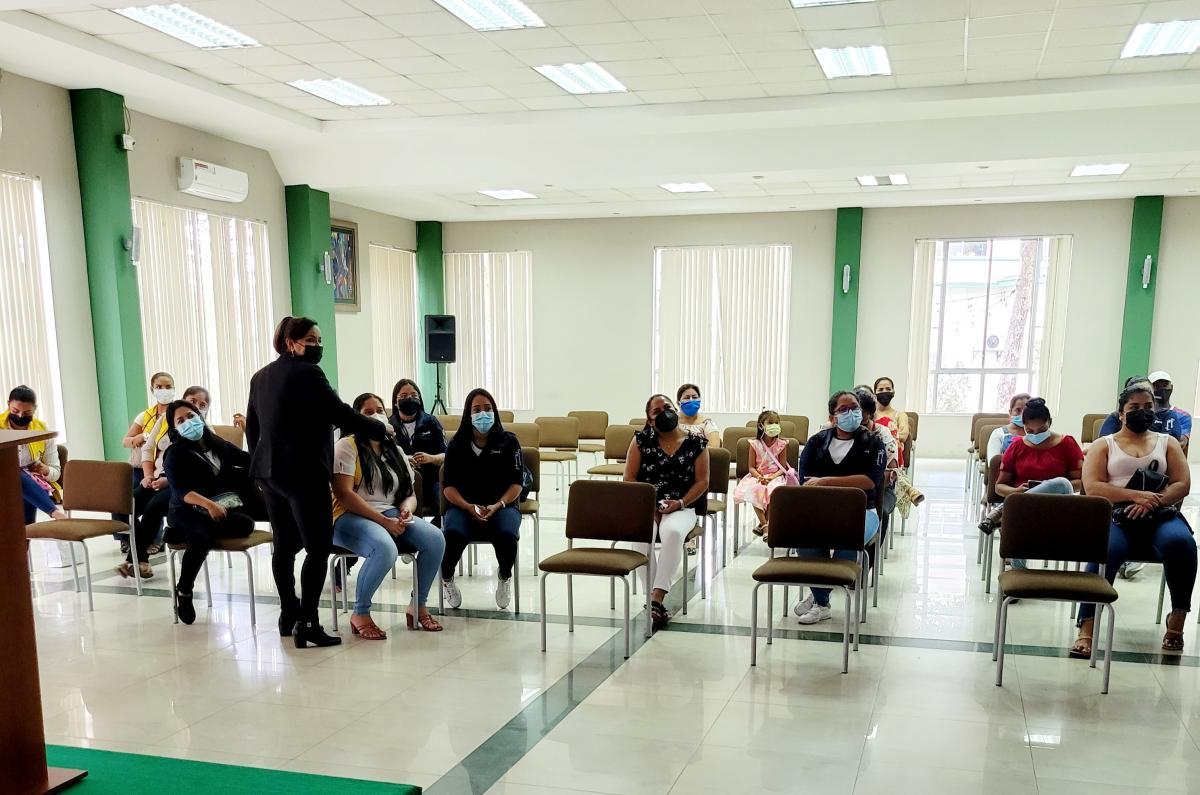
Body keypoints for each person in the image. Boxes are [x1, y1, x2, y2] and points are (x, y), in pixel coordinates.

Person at [246, 316, 390, 648]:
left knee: (284, 546)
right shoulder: (308, 373)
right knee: (318, 547)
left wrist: (260, 465)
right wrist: (380, 428)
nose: (317, 346)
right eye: (310, 340)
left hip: (270, 473)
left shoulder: (260, 376)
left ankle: (288, 614)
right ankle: (308, 623)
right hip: (304, 473)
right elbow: (340, 413)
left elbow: (253, 428)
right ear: (290, 343)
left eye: (318, 340)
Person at [1071, 384, 1195, 656]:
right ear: (1121, 413)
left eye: (1148, 407)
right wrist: (1134, 496)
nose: (1143, 412)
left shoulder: (1167, 442)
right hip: (1116, 515)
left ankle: (1177, 618)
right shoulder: (1104, 444)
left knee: (1182, 544)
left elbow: (1182, 483)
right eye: (1134, 408)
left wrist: (1152, 500)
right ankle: (1087, 624)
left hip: (1159, 514)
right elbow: (1093, 486)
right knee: (1106, 550)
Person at [332, 393, 446, 637]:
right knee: (385, 549)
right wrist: (384, 521)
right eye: (368, 412)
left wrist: (406, 510)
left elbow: (409, 493)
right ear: (357, 418)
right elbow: (343, 494)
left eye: (379, 410)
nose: (376, 416)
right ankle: (360, 613)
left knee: (435, 539)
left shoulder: (395, 449)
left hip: (390, 513)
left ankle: (418, 606)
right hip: (348, 516)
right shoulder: (346, 446)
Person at [792, 390, 886, 625]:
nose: (850, 413)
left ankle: (819, 597)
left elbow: (869, 480)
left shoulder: (873, 442)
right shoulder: (817, 442)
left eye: (854, 408)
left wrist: (825, 481)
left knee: (848, 540)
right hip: (821, 510)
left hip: (862, 512)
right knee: (805, 539)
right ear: (832, 416)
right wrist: (820, 484)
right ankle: (821, 602)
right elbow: (806, 481)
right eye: (843, 409)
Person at [161, 400, 259, 626]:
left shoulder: (217, 443)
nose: (188, 422)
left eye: (191, 416)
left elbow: (247, 459)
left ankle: (177, 534)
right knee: (200, 539)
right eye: (181, 421)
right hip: (186, 509)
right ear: (174, 428)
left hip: (214, 508)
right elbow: (181, 491)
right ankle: (184, 590)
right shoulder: (174, 453)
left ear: (200, 416)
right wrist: (208, 505)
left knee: (245, 525)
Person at [624, 394, 710, 631]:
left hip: (683, 505)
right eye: (657, 411)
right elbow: (629, 477)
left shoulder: (697, 443)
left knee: (672, 531)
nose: (664, 413)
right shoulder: (641, 440)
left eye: (668, 407)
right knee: (641, 536)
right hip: (647, 505)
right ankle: (651, 598)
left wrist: (680, 503)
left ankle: (657, 597)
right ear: (649, 419)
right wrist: (650, 505)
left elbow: (702, 481)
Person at [439, 387, 524, 611]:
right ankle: (447, 578)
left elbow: (517, 483)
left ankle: (504, 575)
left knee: (507, 534)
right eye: (476, 409)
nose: (483, 414)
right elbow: (448, 487)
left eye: (487, 408)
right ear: (468, 414)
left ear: (494, 411)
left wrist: (498, 504)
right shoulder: (456, 444)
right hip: (463, 506)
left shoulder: (509, 442)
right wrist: (468, 506)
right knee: (452, 533)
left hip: (502, 505)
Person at [118, 386, 212, 580]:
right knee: (122, 505)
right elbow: (148, 448)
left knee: (154, 506)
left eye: (202, 405)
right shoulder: (165, 420)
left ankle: (137, 560)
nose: (196, 406)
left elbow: (201, 468)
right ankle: (139, 554)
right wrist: (148, 475)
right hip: (157, 477)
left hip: (183, 486)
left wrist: (167, 481)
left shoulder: (204, 430)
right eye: (192, 401)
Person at [978, 398, 1083, 569]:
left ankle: (1001, 511)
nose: (1035, 434)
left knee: (1062, 483)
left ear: (1049, 422)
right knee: (1020, 515)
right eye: (1030, 430)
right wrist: (1017, 492)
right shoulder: (1016, 446)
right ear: (1024, 427)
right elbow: (999, 486)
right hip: (1024, 508)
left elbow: (1079, 482)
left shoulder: (1067, 443)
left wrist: (1048, 486)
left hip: (1057, 505)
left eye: (1041, 429)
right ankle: (1018, 573)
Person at [119, 371, 174, 549]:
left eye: (168, 387)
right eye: (159, 387)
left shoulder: (177, 414)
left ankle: (154, 539)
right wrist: (139, 437)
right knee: (120, 496)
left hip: (163, 469)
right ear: (152, 389)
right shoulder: (146, 415)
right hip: (141, 466)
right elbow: (125, 441)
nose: (164, 390)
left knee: (153, 497)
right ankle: (128, 538)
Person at [4, 386, 67, 525]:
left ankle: (25, 535)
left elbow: (55, 473)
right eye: (15, 411)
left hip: (28, 485)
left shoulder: (42, 433)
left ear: (35, 409)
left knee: (23, 479)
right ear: (8, 404)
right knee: (14, 473)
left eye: (27, 412)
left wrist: (45, 470)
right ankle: (54, 512)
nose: (20, 416)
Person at [389, 378, 447, 521]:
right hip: (401, 481)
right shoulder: (389, 425)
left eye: (414, 395)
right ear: (396, 401)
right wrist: (403, 460)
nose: (409, 399)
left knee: (445, 503)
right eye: (404, 396)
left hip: (431, 480)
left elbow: (447, 455)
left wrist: (431, 458)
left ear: (419, 399)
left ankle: (435, 529)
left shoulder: (431, 422)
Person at [733, 410, 789, 536]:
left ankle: (764, 525)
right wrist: (760, 477)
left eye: (776, 423)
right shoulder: (755, 444)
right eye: (770, 422)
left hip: (775, 476)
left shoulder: (782, 444)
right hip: (758, 476)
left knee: (774, 490)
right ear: (761, 425)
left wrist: (772, 477)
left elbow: (782, 467)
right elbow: (751, 467)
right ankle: (765, 526)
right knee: (756, 490)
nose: (774, 425)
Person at [1097, 375, 1186, 440]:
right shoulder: (1116, 416)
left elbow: (1170, 444)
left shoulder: (1167, 415)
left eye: (1148, 391)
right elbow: (1105, 442)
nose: (1143, 396)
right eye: (1134, 407)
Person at [1148, 370, 1191, 449]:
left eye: (1165, 385)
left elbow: (1181, 444)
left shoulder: (1183, 416)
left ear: (1171, 387)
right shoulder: (1144, 413)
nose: (1161, 389)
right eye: (1156, 386)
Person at [986, 393, 1031, 460]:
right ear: (1010, 412)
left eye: (1026, 410)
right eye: (1018, 410)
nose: (1022, 414)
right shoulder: (998, 433)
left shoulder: (1036, 435)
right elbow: (993, 462)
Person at [872, 377, 910, 445]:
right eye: (881, 389)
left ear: (893, 392)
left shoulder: (900, 415)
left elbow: (903, 436)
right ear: (874, 394)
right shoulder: (870, 415)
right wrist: (893, 434)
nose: (884, 391)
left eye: (888, 389)